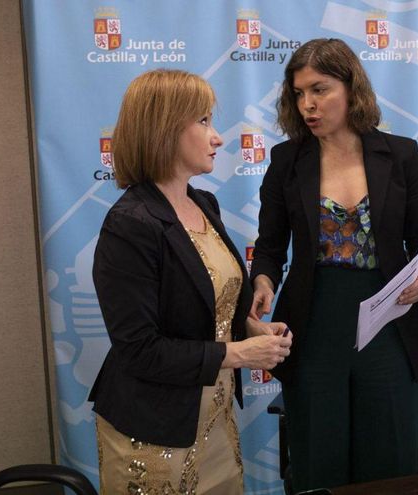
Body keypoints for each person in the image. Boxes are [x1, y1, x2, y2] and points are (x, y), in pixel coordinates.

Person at [249, 38, 418, 491]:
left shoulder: (400, 154)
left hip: (388, 322)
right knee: (320, 461)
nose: (307, 105)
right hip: (314, 323)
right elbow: (272, 246)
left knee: (389, 463)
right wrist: (262, 279)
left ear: (351, 88)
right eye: (298, 94)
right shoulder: (286, 160)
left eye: (319, 90)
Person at [90, 69, 292, 494]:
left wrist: (249, 329)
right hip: (153, 433)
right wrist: (238, 352)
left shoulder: (204, 203)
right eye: (203, 122)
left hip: (215, 424)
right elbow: (140, 350)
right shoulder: (130, 224)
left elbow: (206, 310)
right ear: (164, 130)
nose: (217, 137)